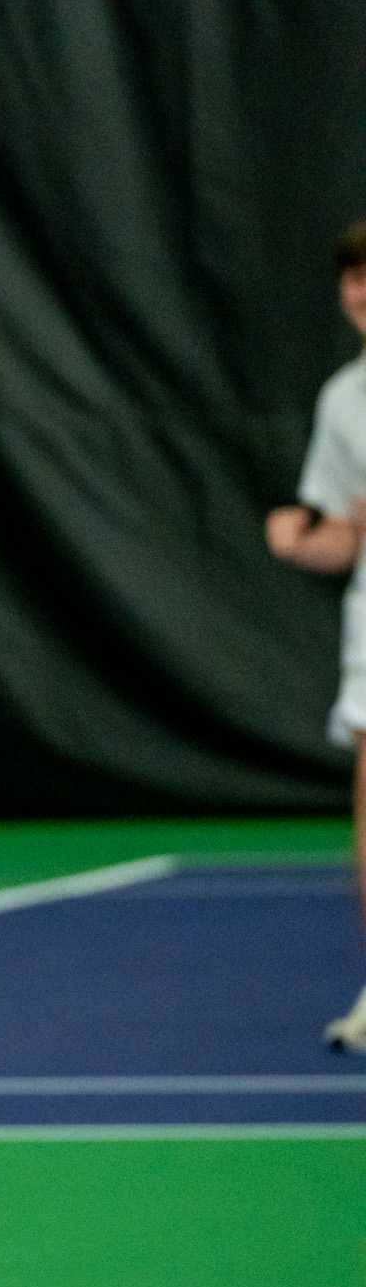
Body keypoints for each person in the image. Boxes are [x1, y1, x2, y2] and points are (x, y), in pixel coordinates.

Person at [265, 215, 366, 1055]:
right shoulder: (343, 398)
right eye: (354, 276)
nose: (363, 291)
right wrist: (301, 541)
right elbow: (345, 530)